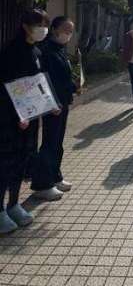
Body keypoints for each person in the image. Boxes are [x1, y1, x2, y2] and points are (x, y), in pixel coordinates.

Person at [0, 9, 50, 234]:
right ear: (25, 27)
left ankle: (14, 204)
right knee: (6, 164)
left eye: (45, 25)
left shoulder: (36, 51)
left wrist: (49, 103)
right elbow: (8, 87)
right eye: (38, 25)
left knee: (22, 162)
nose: (43, 30)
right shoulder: (10, 52)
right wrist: (16, 114)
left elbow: (38, 83)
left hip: (30, 118)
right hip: (10, 119)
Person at [31, 17, 77, 201]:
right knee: (49, 143)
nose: (68, 34)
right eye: (66, 29)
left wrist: (74, 86)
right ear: (55, 29)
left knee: (57, 142)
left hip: (62, 102)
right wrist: (50, 102)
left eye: (71, 31)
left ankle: (55, 176)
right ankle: (42, 184)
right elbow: (42, 80)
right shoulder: (45, 50)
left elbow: (63, 76)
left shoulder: (60, 49)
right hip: (52, 104)